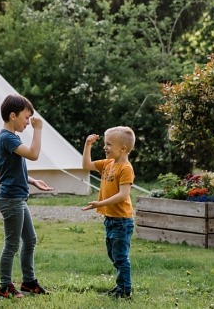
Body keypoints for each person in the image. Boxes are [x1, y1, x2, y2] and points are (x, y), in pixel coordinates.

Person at [0, 94, 56, 299]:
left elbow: (11, 170)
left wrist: (32, 180)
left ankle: (28, 282)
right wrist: (38, 130)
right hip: (11, 200)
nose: (28, 123)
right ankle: (5, 286)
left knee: (30, 240)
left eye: (30, 120)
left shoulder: (12, 138)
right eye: (26, 118)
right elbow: (33, 154)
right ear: (13, 116)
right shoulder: (7, 138)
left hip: (17, 198)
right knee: (12, 244)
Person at [80, 127, 137, 299]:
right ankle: (121, 286)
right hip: (110, 220)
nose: (105, 147)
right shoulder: (107, 164)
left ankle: (125, 291)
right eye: (105, 143)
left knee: (120, 257)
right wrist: (87, 145)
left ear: (123, 148)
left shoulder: (125, 168)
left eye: (109, 144)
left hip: (122, 221)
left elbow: (123, 195)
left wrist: (100, 203)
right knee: (113, 255)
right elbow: (86, 166)